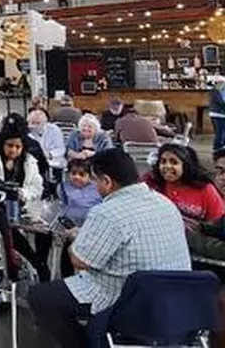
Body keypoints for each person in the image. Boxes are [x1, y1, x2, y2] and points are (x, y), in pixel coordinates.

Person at [28, 149, 191, 348]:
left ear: (106, 181)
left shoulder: (106, 212)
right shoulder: (165, 203)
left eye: (95, 180)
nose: (94, 186)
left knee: (40, 296)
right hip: (175, 297)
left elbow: (80, 261)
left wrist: (77, 237)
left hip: (126, 300)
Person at [0, 116, 49, 280]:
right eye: (9, 145)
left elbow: (37, 187)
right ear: (2, 143)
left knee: (45, 234)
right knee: (9, 231)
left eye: (17, 147)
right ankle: (35, 265)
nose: (13, 150)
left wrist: (23, 193)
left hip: (22, 210)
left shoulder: (29, 161)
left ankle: (38, 264)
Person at [144, 143, 225, 225]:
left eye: (174, 162)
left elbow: (218, 221)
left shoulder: (205, 189)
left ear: (186, 166)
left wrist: (200, 227)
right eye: (163, 161)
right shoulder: (153, 182)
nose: (167, 166)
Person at [58, 158, 102, 226]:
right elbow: (62, 205)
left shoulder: (97, 188)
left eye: (82, 174)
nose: (77, 177)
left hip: (92, 222)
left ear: (89, 176)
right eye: (73, 173)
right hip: (71, 223)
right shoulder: (63, 188)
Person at [210, 76, 225, 150]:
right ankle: (217, 149)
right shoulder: (216, 91)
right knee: (220, 133)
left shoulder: (220, 90)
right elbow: (222, 102)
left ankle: (221, 148)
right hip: (218, 114)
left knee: (222, 133)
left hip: (220, 114)